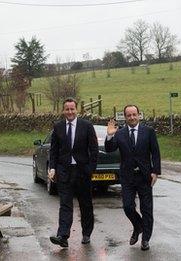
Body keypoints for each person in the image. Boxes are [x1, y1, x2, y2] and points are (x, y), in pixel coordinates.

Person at [104, 105, 161, 251]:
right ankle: (138, 226)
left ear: (139, 115)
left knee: (146, 209)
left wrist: (155, 171)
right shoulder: (120, 133)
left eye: (134, 114)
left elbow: (155, 152)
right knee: (128, 206)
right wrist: (110, 135)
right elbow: (110, 149)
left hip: (145, 176)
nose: (132, 117)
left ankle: (145, 239)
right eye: (128, 115)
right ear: (125, 117)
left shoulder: (148, 132)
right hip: (127, 176)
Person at [48, 98, 99, 247]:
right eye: (67, 109)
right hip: (64, 172)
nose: (70, 112)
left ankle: (86, 233)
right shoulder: (57, 127)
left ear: (77, 110)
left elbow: (94, 149)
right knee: (65, 204)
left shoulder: (87, 126)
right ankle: (63, 236)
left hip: (83, 172)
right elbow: (54, 150)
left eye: (72, 109)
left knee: (86, 204)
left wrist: (91, 169)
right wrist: (52, 168)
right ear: (63, 110)